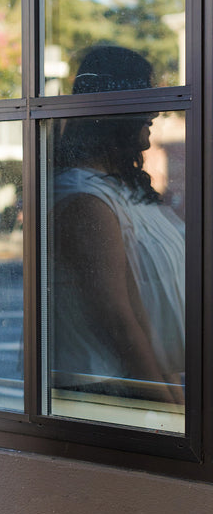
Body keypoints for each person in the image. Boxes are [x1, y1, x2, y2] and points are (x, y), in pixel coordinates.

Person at [51, 46, 184, 405]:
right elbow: (118, 321)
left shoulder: (123, 190)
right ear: (114, 108)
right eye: (143, 91)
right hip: (105, 387)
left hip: (137, 380)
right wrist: (168, 405)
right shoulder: (84, 201)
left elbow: (144, 315)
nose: (157, 109)